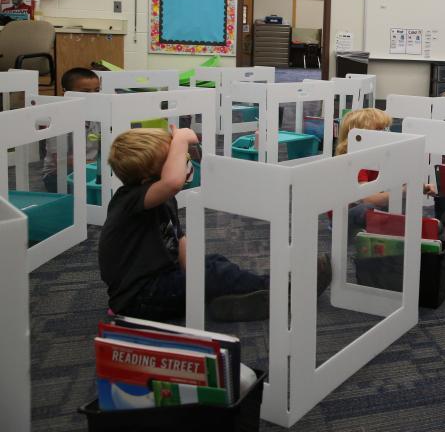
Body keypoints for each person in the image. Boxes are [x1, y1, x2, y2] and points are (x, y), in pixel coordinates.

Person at [99, 127, 331, 321]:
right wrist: (180, 138)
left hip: (162, 282)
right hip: (139, 299)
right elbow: (172, 181)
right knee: (214, 273)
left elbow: (178, 238)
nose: (183, 162)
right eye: (174, 160)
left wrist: (196, 275)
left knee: (213, 264)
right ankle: (287, 290)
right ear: (147, 178)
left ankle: (236, 300)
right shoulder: (129, 200)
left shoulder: (162, 199)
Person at [42, 67, 101, 193]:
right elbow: (61, 160)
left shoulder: (99, 116)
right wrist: (98, 165)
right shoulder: (58, 119)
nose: (93, 96)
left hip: (90, 169)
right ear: (65, 93)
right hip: (58, 174)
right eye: (85, 91)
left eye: (97, 91)